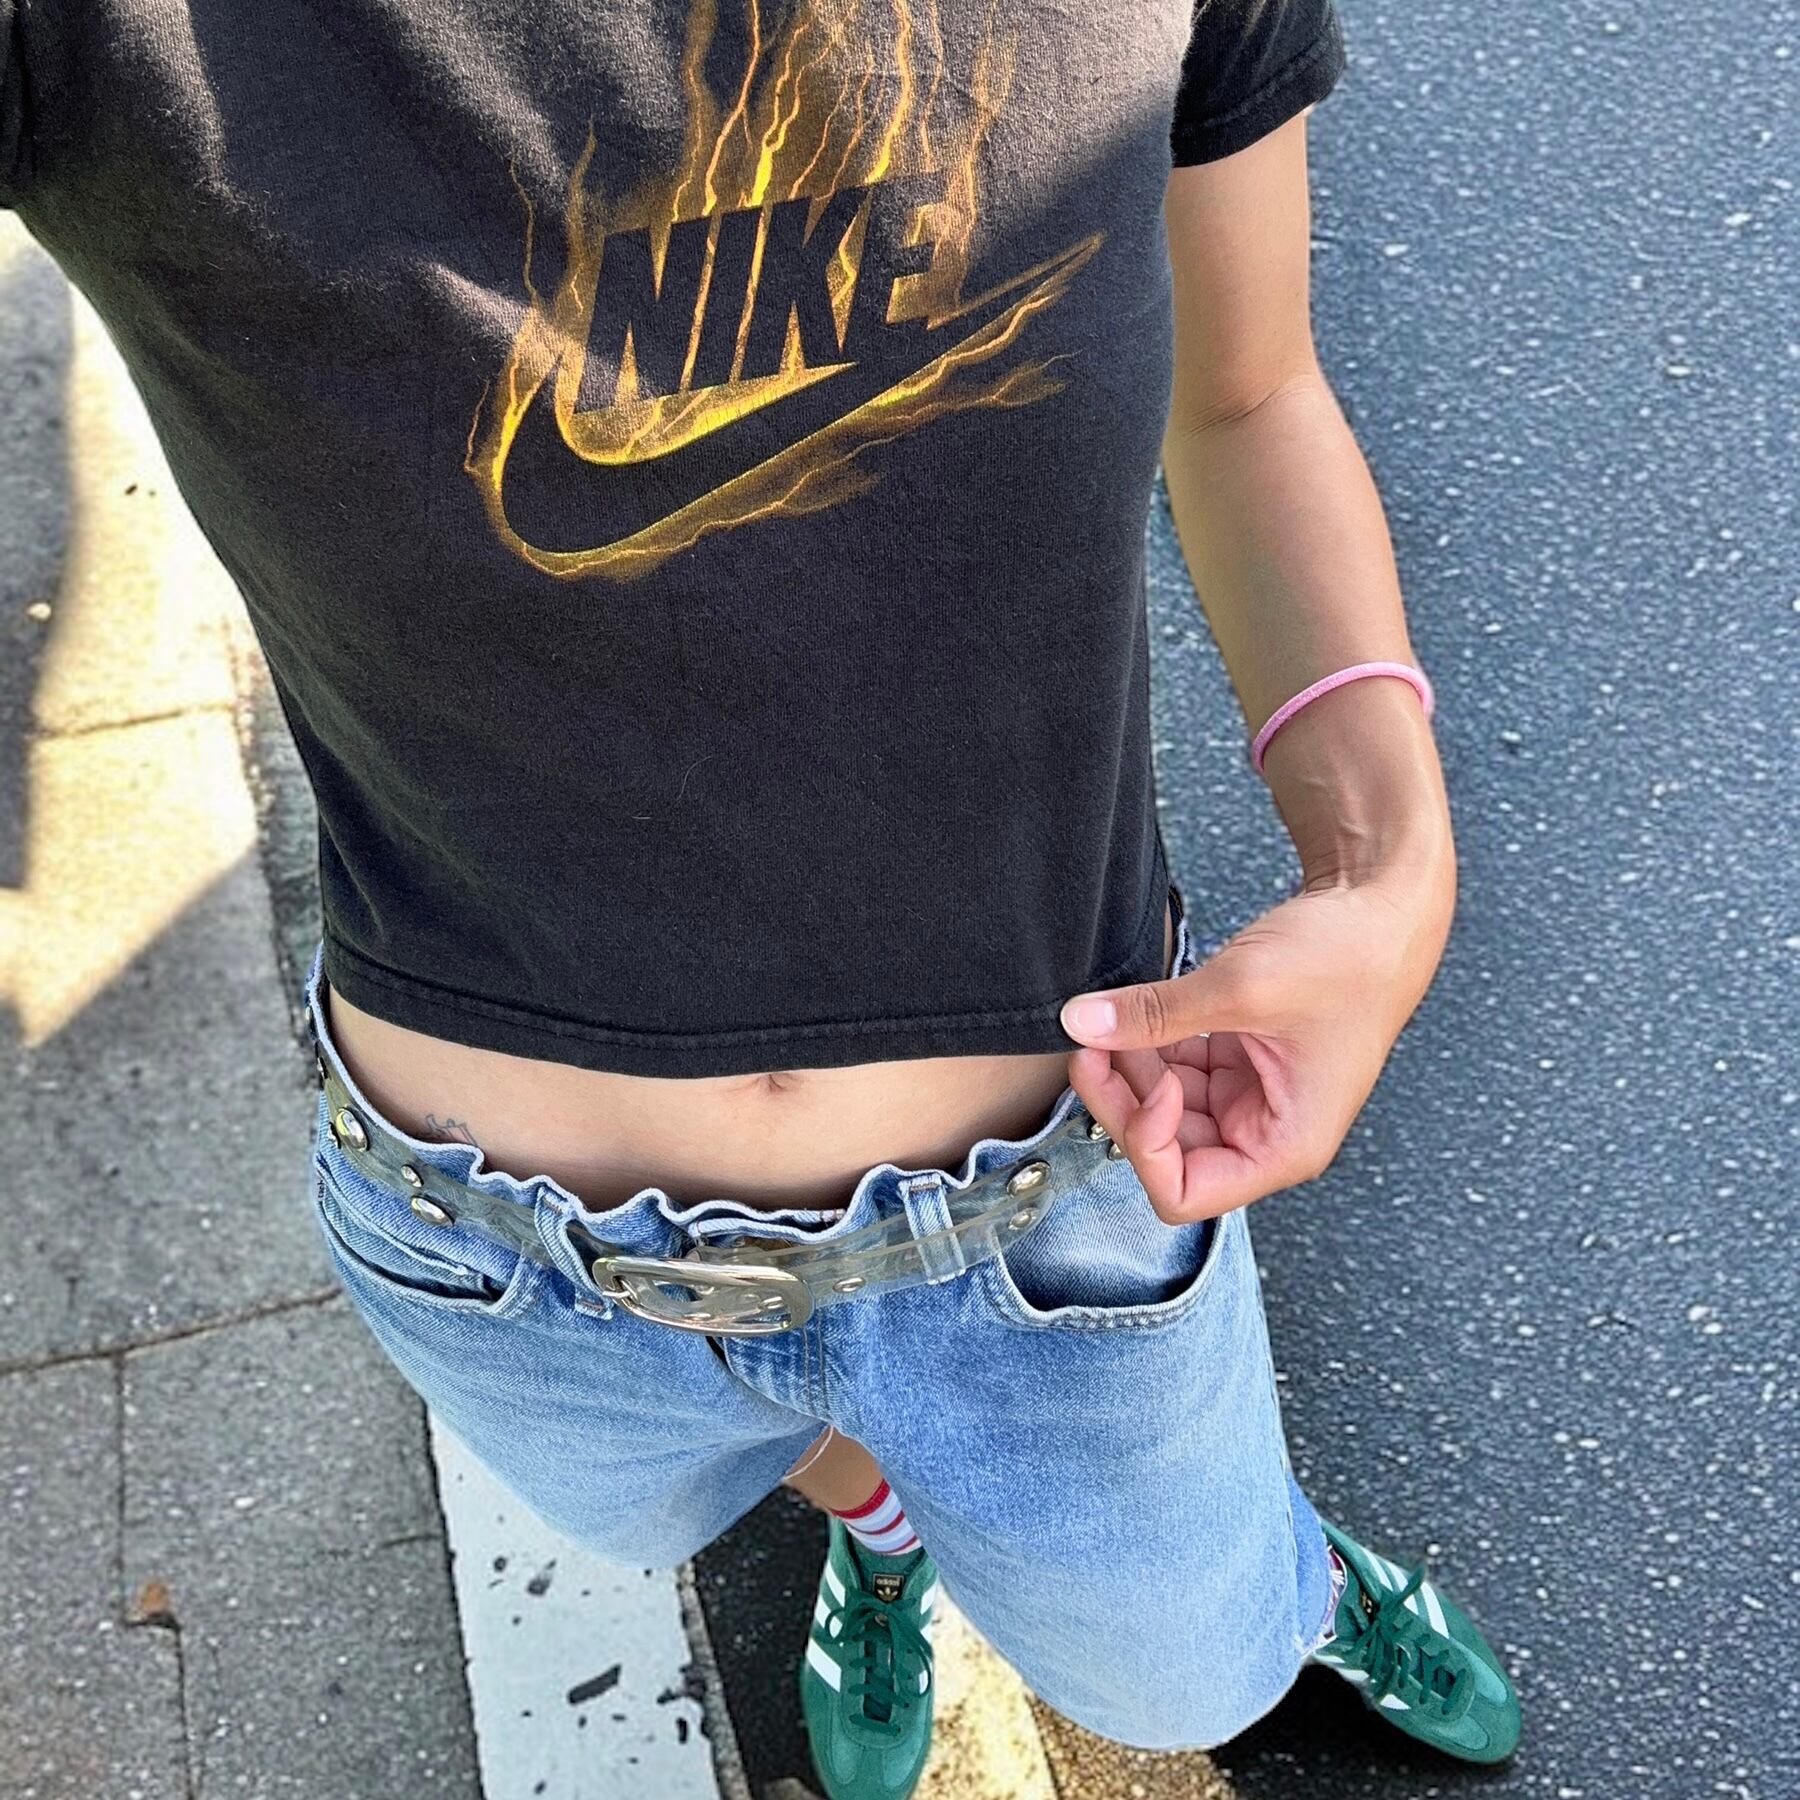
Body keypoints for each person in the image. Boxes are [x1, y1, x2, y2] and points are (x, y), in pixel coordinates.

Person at [3, 0, 1522, 1792]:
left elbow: (1249, 392)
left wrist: (1391, 867)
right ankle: (880, 1527)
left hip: (1063, 1205)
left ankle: (1283, 1584)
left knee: (1191, 1670)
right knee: (711, 1497)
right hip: (505, 1269)